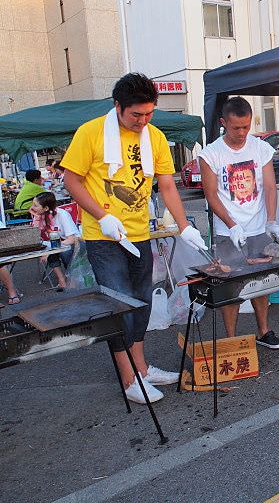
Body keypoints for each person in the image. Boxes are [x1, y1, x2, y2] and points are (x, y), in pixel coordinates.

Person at [62, 73, 207, 405]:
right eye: (136, 115)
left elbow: (167, 185)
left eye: (148, 114)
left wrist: (184, 226)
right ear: (117, 107)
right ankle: (130, 380)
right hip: (104, 236)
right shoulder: (91, 132)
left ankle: (141, 368)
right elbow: (72, 180)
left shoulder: (154, 137)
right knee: (119, 306)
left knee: (140, 304)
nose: (143, 121)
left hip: (139, 233)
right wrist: (102, 216)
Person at [198, 96, 279, 348]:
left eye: (246, 127)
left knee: (262, 282)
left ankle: (264, 331)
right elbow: (211, 194)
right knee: (232, 286)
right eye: (236, 127)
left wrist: (271, 220)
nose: (242, 133)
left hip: (258, 227)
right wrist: (232, 224)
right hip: (228, 232)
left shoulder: (260, 148)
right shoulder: (211, 154)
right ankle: (232, 340)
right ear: (224, 123)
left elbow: (269, 186)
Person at [30, 191, 79, 289]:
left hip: (73, 243)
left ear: (46, 208)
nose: (32, 208)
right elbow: (34, 238)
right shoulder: (41, 216)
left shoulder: (62, 215)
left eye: (35, 205)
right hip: (56, 242)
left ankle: (73, 279)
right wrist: (36, 219)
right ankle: (61, 280)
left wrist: (52, 249)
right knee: (48, 249)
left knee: (64, 252)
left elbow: (72, 239)